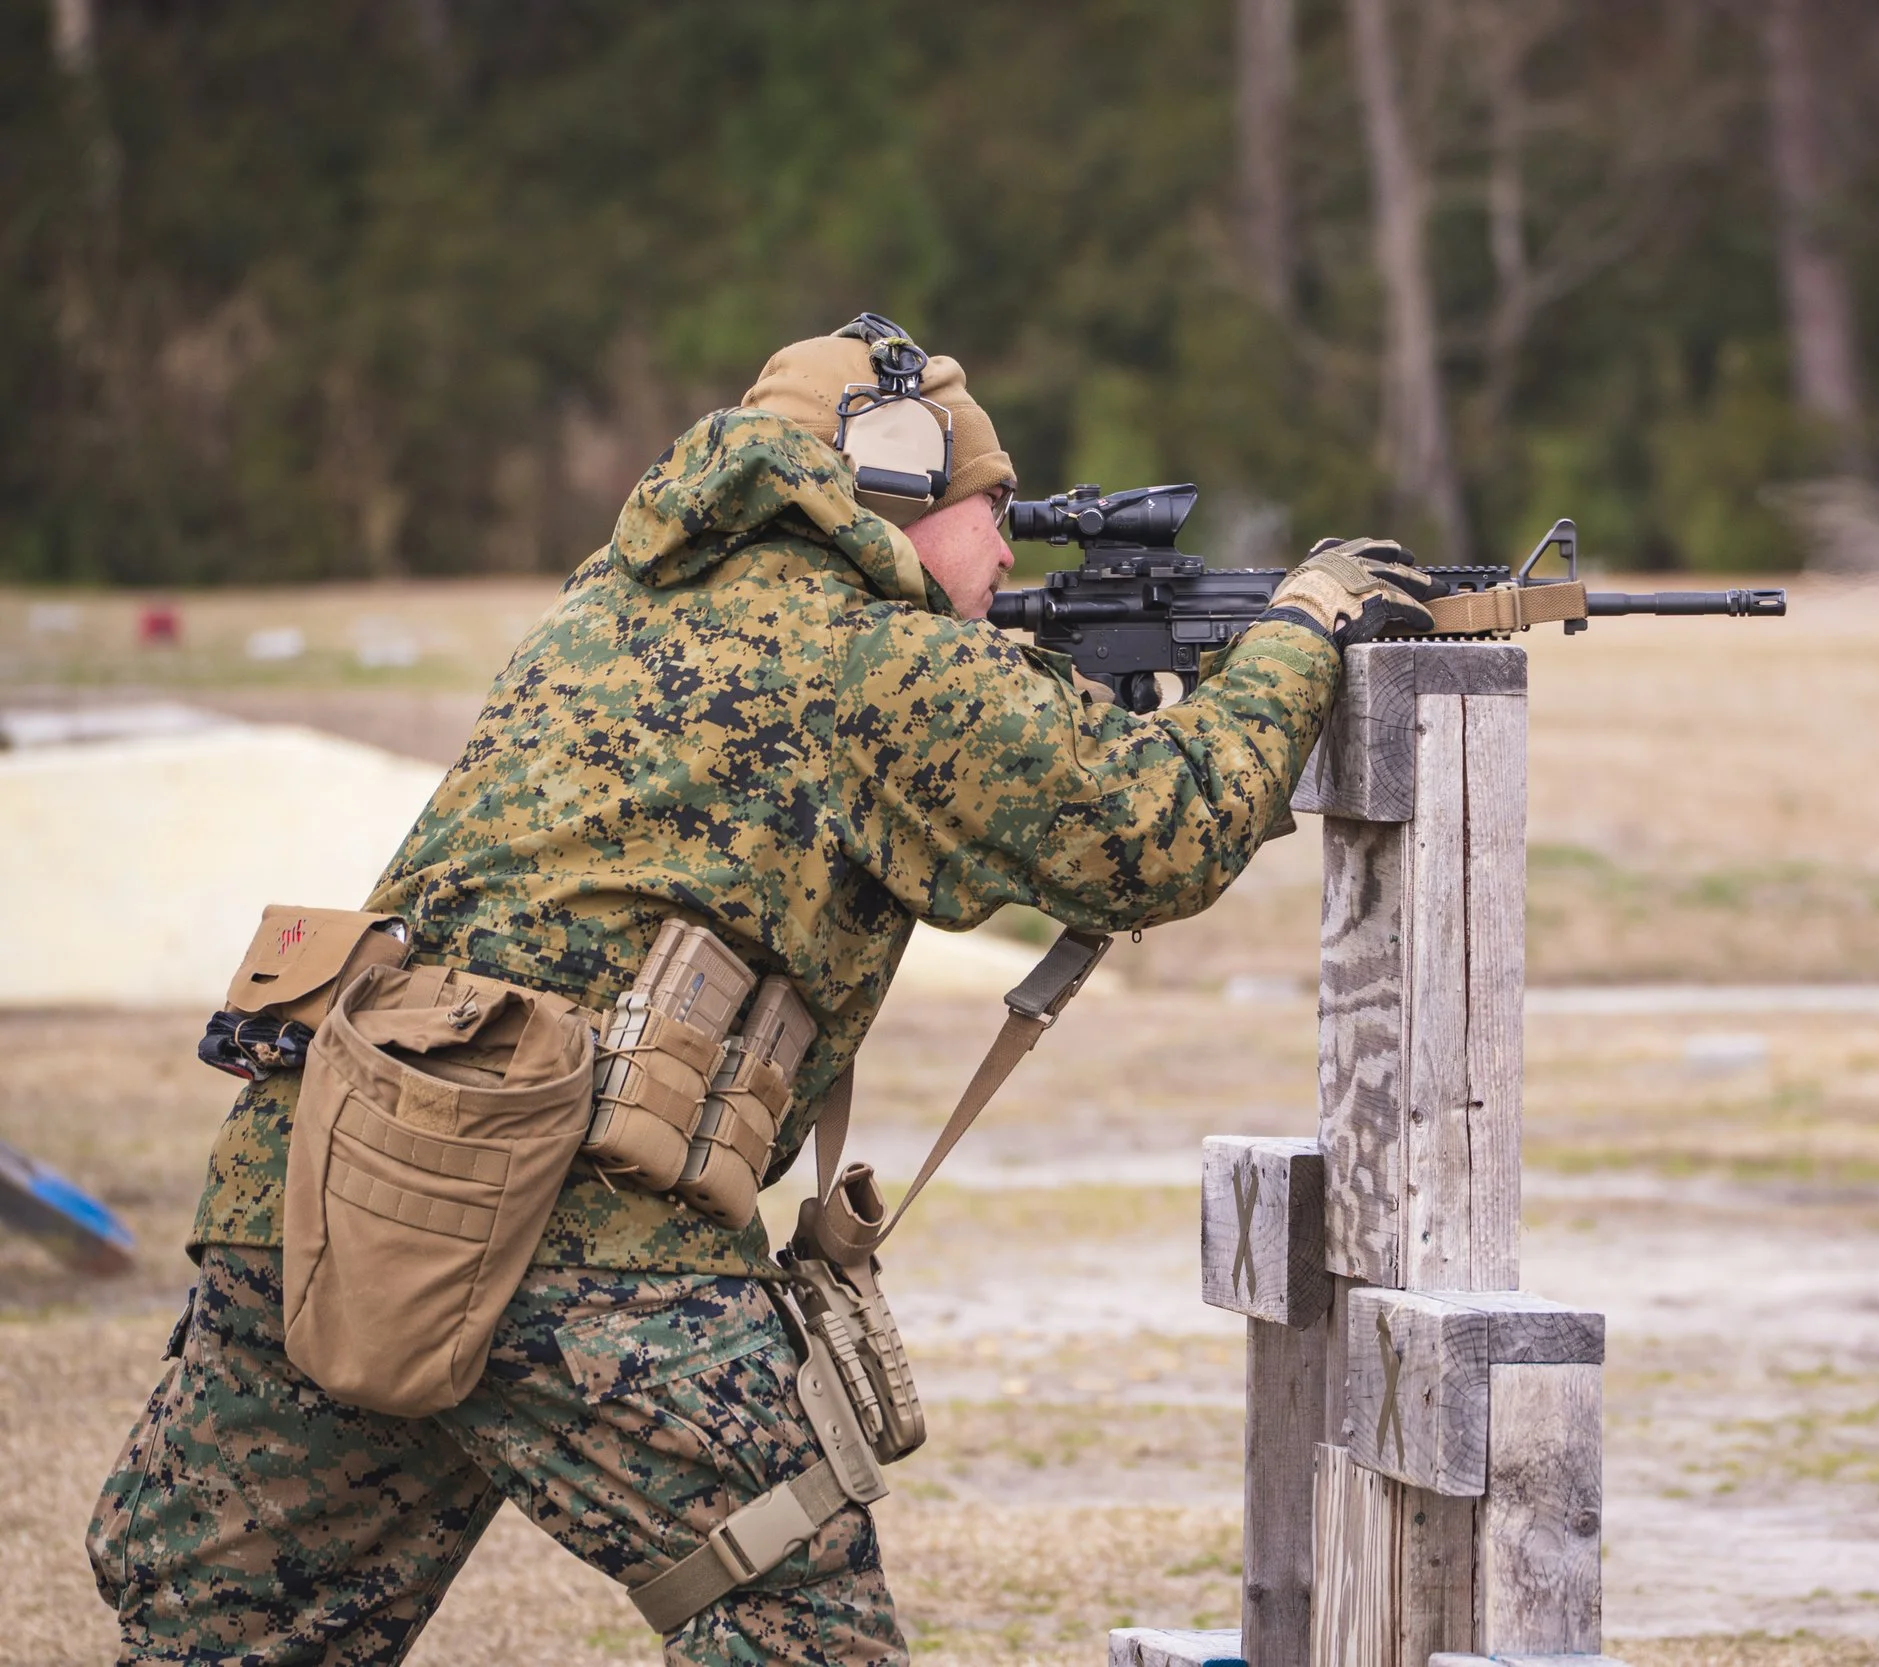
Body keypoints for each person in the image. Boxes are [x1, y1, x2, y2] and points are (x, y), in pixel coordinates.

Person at [85, 318, 1438, 1666]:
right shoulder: (869, 659)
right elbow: (1154, 829)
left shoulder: (608, 603)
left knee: (236, 1635)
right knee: (801, 1628)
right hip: (578, 1222)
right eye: (995, 506)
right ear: (894, 484)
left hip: (319, 1180)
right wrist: (1303, 628)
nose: (1013, 545)